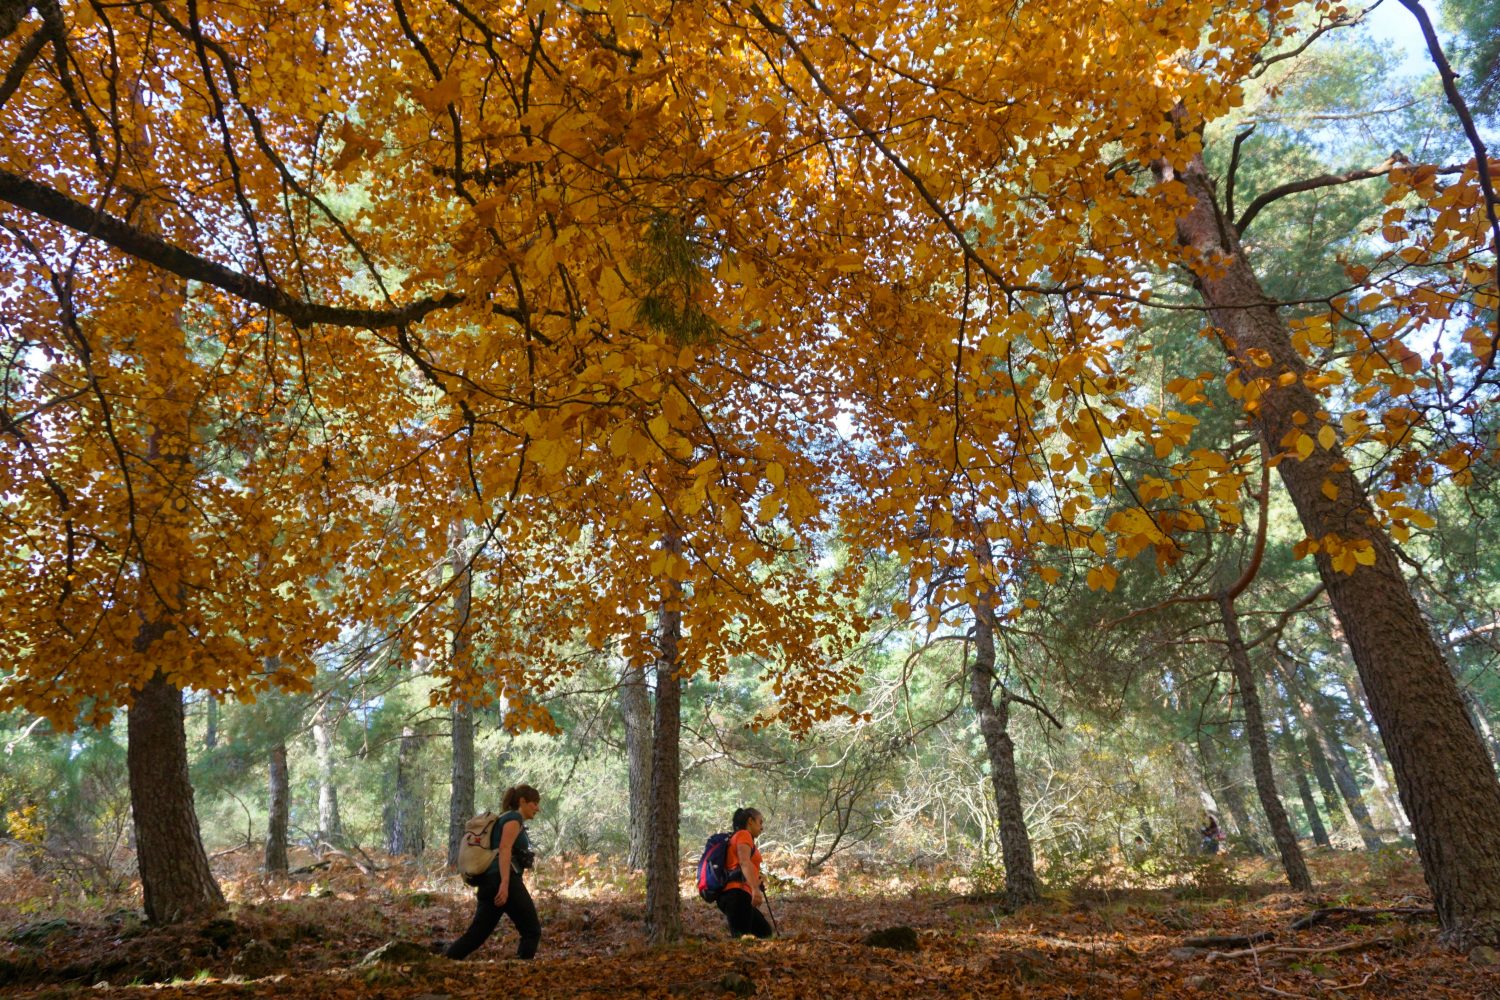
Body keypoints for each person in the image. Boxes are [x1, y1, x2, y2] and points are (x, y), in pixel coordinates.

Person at [446, 784, 542, 960]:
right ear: (522, 801)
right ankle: (522, 975)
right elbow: (504, 849)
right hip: (503, 881)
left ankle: (443, 962)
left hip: (490, 882)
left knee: (475, 936)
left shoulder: (505, 818)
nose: (538, 808)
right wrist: (505, 885)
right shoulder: (514, 818)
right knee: (532, 931)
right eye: (534, 803)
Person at [717, 807, 773, 939]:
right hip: (736, 894)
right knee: (742, 941)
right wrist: (755, 889)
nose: (762, 827)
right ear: (750, 821)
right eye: (760, 822)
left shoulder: (740, 837)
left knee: (764, 932)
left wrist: (755, 882)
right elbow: (744, 862)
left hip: (739, 895)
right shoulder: (743, 835)